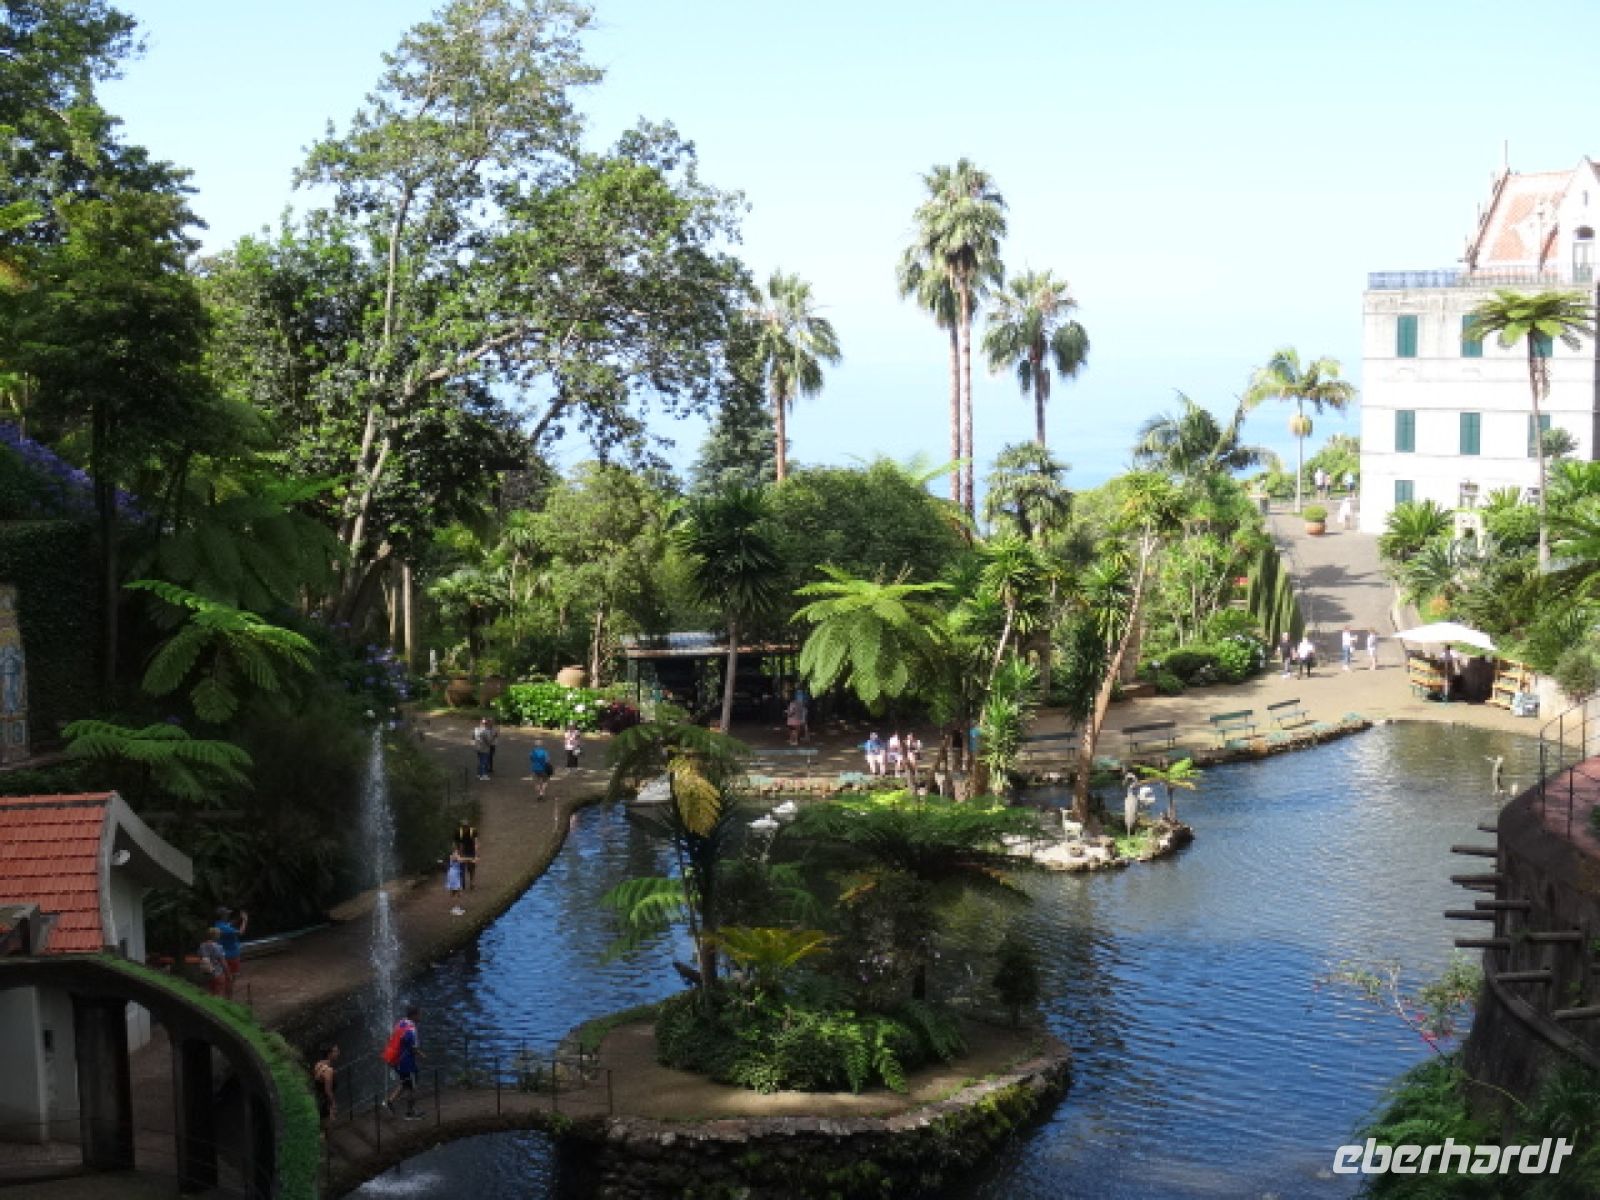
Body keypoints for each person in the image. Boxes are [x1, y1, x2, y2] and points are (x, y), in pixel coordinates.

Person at [383, 1007, 424, 1120]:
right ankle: (409, 1113)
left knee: (405, 1083)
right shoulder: (412, 1030)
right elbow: (413, 1048)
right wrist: (422, 1055)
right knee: (411, 1087)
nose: (420, 1017)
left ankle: (389, 1102)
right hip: (406, 1063)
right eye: (419, 1015)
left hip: (396, 1061)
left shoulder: (401, 1023)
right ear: (414, 1016)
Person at [215, 907, 247, 1000]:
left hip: (225, 955)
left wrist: (239, 919)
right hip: (231, 956)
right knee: (231, 979)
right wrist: (245, 920)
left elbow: (229, 924)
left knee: (228, 978)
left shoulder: (218, 925)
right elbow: (241, 932)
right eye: (226, 914)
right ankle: (228, 999)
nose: (228, 915)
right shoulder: (223, 927)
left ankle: (227, 998)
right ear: (223, 916)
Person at [313, 1044, 340, 1126]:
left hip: (319, 1098)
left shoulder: (318, 1064)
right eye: (336, 1051)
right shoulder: (328, 1070)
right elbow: (328, 1091)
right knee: (327, 1123)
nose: (338, 1053)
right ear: (329, 1054)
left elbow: (318, 1079)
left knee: (323, 1120)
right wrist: (333, 1104)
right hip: (325, 1102)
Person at [198, 927, 227, 997]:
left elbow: (201, 958)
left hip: (206, 973)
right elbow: (223, 962)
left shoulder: (202, 946)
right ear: (215, 936)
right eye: (219, 934)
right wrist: (228, 974)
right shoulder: (218, 947)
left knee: (210, 993)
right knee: (218, 994)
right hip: (217, 973)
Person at [454, 822, 478, 891]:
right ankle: (462, 884)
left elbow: (475, 842)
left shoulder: (473, 831)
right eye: (463, 827)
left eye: (466, 827)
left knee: (471, 868)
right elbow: (456, 843)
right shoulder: (458, 832)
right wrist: (456, 852)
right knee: (461, 868)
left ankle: (472, 882)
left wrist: (476, 853)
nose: (465, 828)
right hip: (461, 852)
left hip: (471, 851)